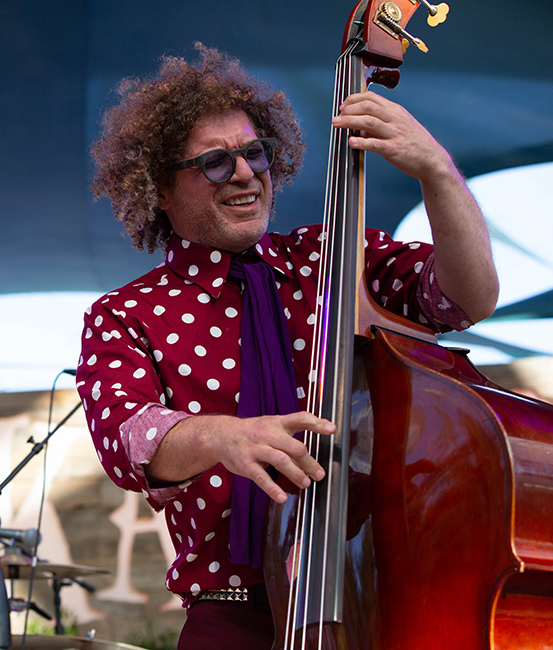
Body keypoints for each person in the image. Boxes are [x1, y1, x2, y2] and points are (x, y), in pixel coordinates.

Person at [75, 45, 498, 649]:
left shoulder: (337, 253)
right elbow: (127, 440)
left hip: (377, 593)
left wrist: (438, 171)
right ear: (160, 190)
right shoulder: (125, 314)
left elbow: (466, 299)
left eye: (254, 153)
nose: (246, 173)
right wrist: (225, 436)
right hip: (234, 614)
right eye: (216, 163)